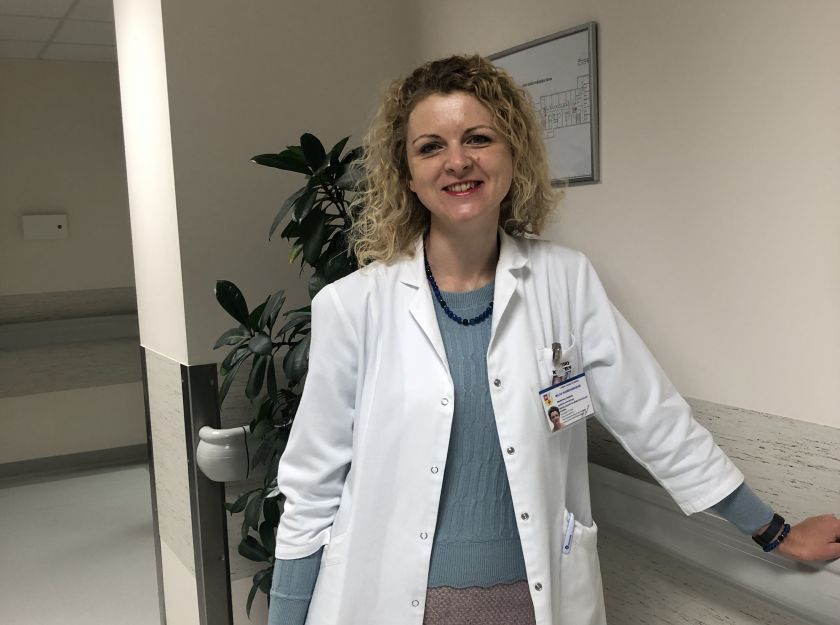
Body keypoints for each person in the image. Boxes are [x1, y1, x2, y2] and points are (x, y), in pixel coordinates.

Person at [267, 55, 840, 625]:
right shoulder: (353, 306)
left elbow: (654, 419)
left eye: (478, 138)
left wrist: (775, 532)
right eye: (430, 147)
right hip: (388, 604)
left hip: (533, 599)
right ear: (408, 174)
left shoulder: (565, 282)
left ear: (512, 153)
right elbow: (311, 492)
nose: (457, 161)